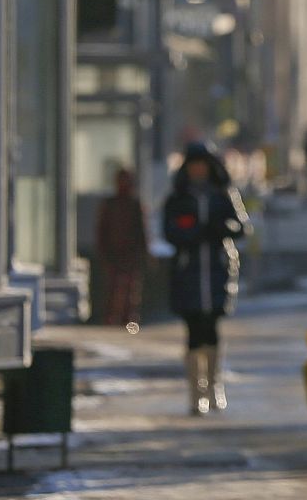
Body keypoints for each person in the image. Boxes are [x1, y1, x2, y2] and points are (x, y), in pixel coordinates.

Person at [162, 143, 250, 416]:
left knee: (211, 327)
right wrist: (191, 235)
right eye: (193, 164)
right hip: (188, 273)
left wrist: (221, 229)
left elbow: (242, 227)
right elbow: (170, 231)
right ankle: (195, 393)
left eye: (202, 164)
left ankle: (214, 386)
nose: (198, 169)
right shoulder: (178, 198)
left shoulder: (222, 194)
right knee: (193, 331)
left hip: (216, 270)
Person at [96, 167, 149, 328]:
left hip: (130, 254)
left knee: (131, 288)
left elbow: (141, 230)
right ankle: (112, 318)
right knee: (114, 288)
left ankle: (128, 320)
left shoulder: (134, 204)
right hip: (114, 254)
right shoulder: (111, 204)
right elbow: (102, 230)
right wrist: (103, 252)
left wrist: (144, 251)